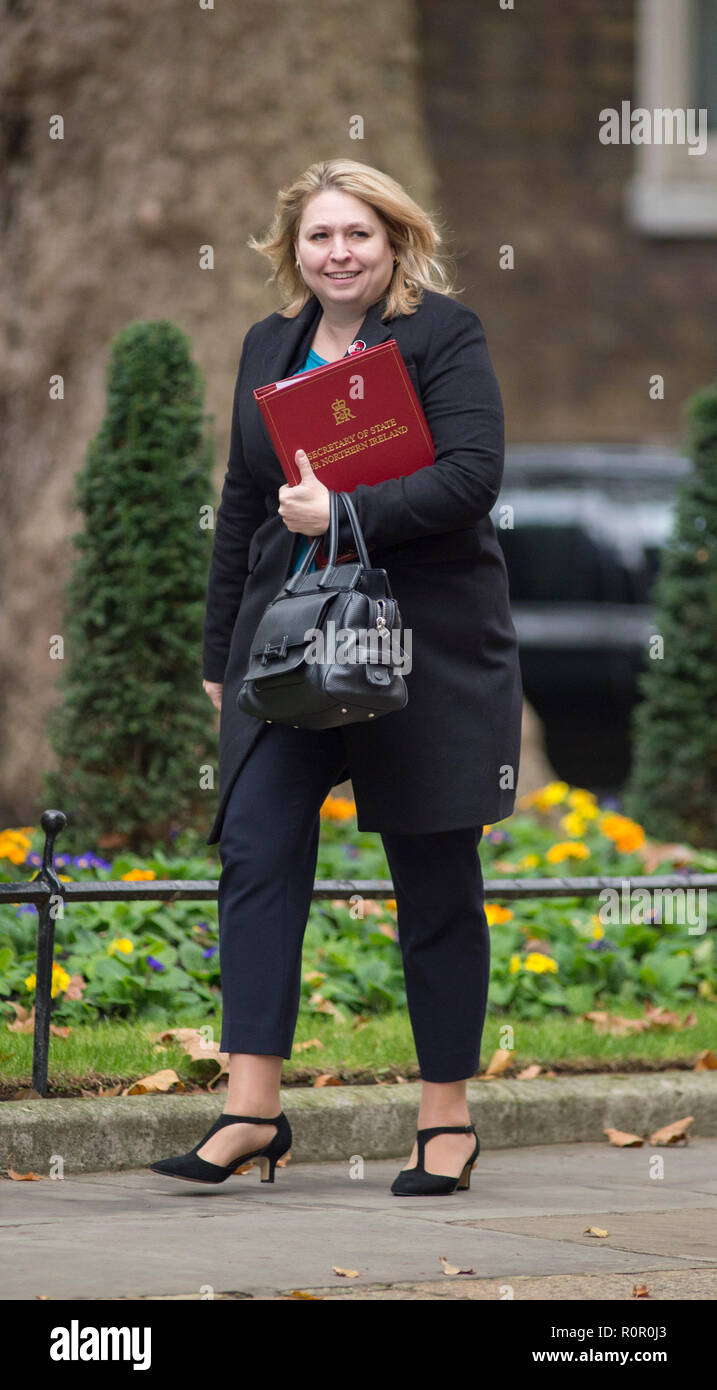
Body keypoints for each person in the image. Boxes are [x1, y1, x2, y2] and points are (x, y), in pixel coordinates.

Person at [150, 158, 523, 1196]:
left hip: (424, 652)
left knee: (434, 878)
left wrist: (347, 515)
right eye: (320, 236)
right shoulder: (267, 347)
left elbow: (470, 476)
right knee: (257, 852)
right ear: (294, 250)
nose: (339, 252)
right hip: (287, 648)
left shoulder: (443, 334)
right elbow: (239, 501)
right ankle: (251, 1111)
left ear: (395, 239)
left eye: (358, 233)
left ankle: (444, 1117)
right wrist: (221, 652)